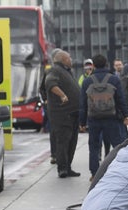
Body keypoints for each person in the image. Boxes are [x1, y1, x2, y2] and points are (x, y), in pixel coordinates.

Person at [79, 54, 128, 180]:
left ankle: (94, 173)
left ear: (94, 66)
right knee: (117, 145)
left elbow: (83, 103)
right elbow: (120, 99)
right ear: (107, 64)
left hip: (94, 119)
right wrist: (126, 115)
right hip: (111, 117)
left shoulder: (87, 81)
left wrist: (82, 122)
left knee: (94, 146)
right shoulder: (113, 79)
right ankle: (120, 169)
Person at [44, 50, 81, 178]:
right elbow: (50, 84)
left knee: (72, 142)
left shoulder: (66, 71)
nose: (71, 60)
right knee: (63, 142)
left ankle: (68, 167)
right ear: (63, 59)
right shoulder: (54, 70)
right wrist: (63, 95)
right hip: (63, 114)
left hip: (73, 114)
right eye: (69, 58)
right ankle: (62, 169)